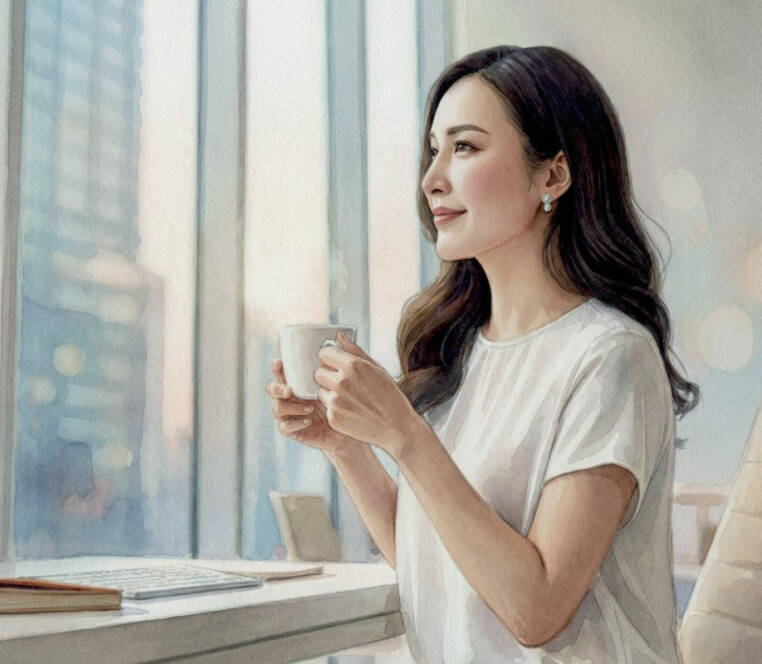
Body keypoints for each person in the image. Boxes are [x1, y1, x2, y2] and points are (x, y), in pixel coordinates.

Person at [266, 45, 699, 663]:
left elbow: (535, 609)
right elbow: (441, 562)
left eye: (464, 147)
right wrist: (348, 446)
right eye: (433, 150)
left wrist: (406, 435)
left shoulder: (610, 356)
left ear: (553, 176)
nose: (431, 179)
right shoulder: (460, 352)